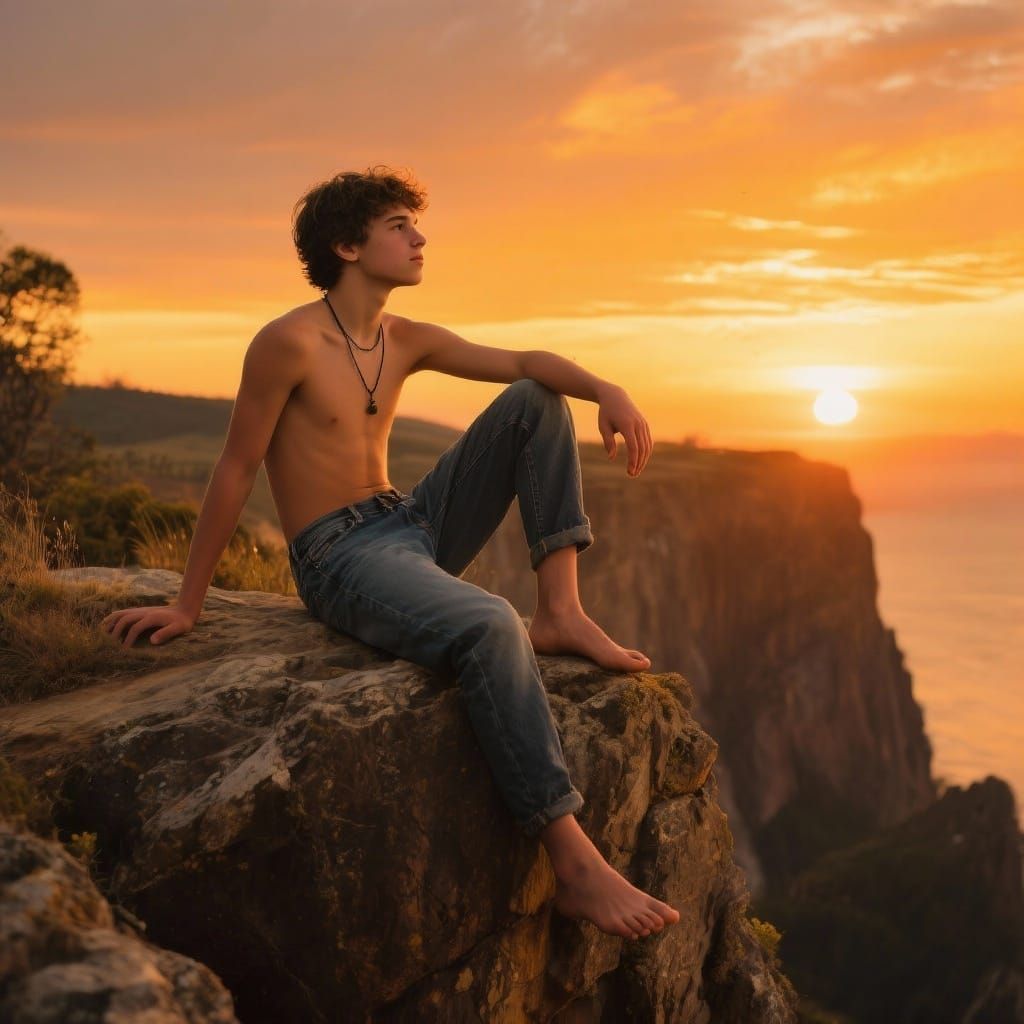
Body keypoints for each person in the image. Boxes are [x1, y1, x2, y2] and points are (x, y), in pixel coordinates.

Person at [101, 166, 680, 942]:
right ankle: (572, 860)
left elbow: (523, 363)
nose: (420, 237)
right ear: (348, 244)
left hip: (407, 520)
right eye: (400, 225)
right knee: (486, 625)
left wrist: (607, 386)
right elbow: (237, 467)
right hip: (340, 555)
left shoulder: (403, 338)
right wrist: (187, 602)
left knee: (535, 403)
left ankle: (563, 610)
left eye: (416, 224)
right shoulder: (287, 343)